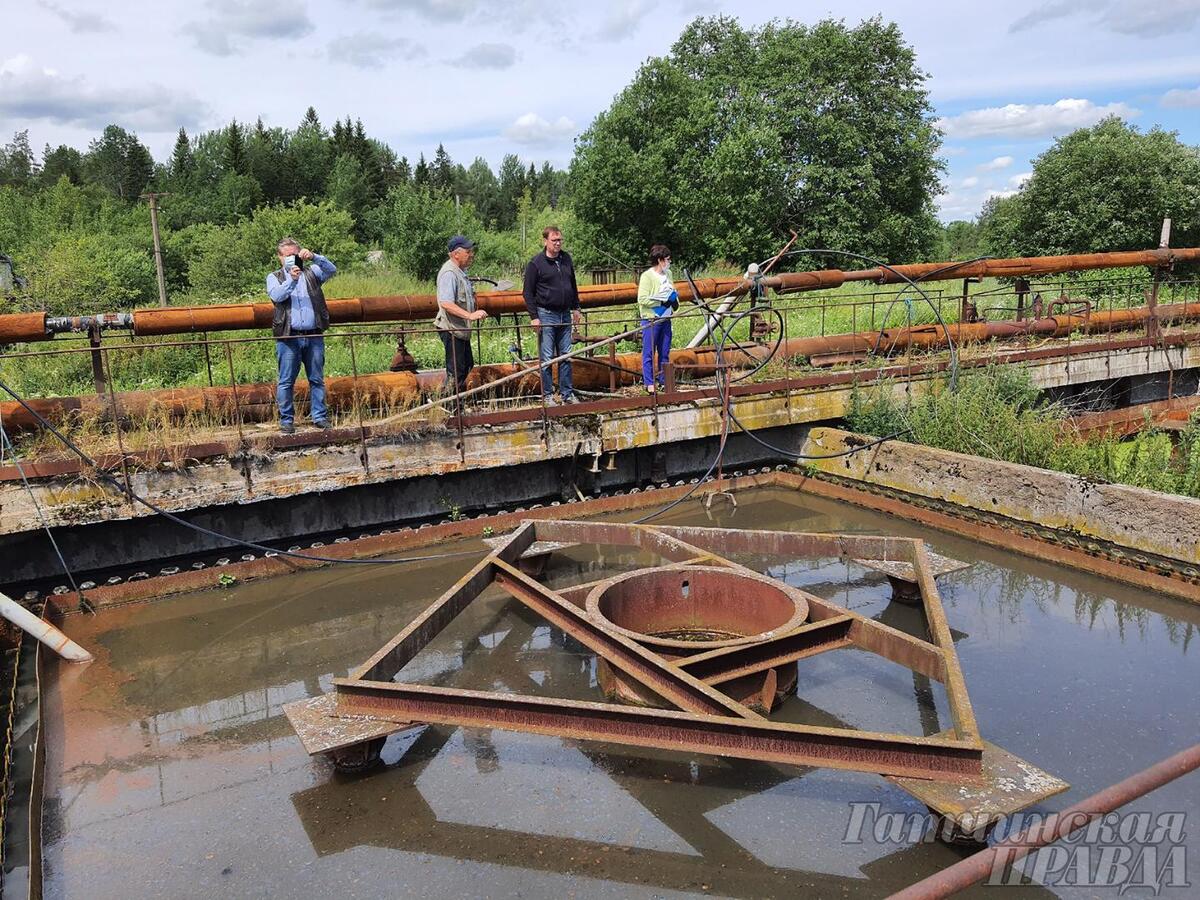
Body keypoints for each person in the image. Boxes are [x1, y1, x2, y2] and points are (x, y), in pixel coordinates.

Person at [266, 237, 337, 433]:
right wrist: (292, 279)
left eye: (295, 255)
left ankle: (319, 417)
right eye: (288, 256)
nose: (293, 259)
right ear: (280, 258)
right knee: (286, 380)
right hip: (288, 336)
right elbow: (277, 296)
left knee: (316, 378)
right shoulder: (274, 277)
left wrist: (315, 257)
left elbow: (332, 270)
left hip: (314, 335)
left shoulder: (312, 272)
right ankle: (287, 420)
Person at [523, 226, 580, 405]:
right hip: (546, 314)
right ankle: (547, 396)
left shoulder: (566, 259)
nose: (557, 243)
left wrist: (576, 308)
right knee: (547, 356)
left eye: (559, 240)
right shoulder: (536, 264)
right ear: (545, 241)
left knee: (566, 355)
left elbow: (573, 284)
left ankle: (567, 394)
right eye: (554, 240)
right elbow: (527, 293)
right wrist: (534, 316)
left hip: (565, 314)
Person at [435, 234, 488, 398]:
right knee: (456, 371)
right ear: (456, 253)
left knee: (466, 365)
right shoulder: (449, 273)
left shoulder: (461, 272)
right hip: (451, 329)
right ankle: (449, 406)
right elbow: (446, 302)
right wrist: (470, 315)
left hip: (460, 329)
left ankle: (450, 403)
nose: (471, 254)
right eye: (468, 251)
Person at [637, 244, 678, 393]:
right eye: (667, 259)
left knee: (664, 351)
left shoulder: (669, 274)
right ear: (660, 260)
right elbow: (642, 299)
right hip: (651, 319)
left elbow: (672, 290)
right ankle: (649, 382)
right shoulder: (647, 276)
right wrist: (660, 302)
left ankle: (663, 380)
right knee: (649, 351)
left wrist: (673, 300)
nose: (669, 262)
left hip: (666, 318)